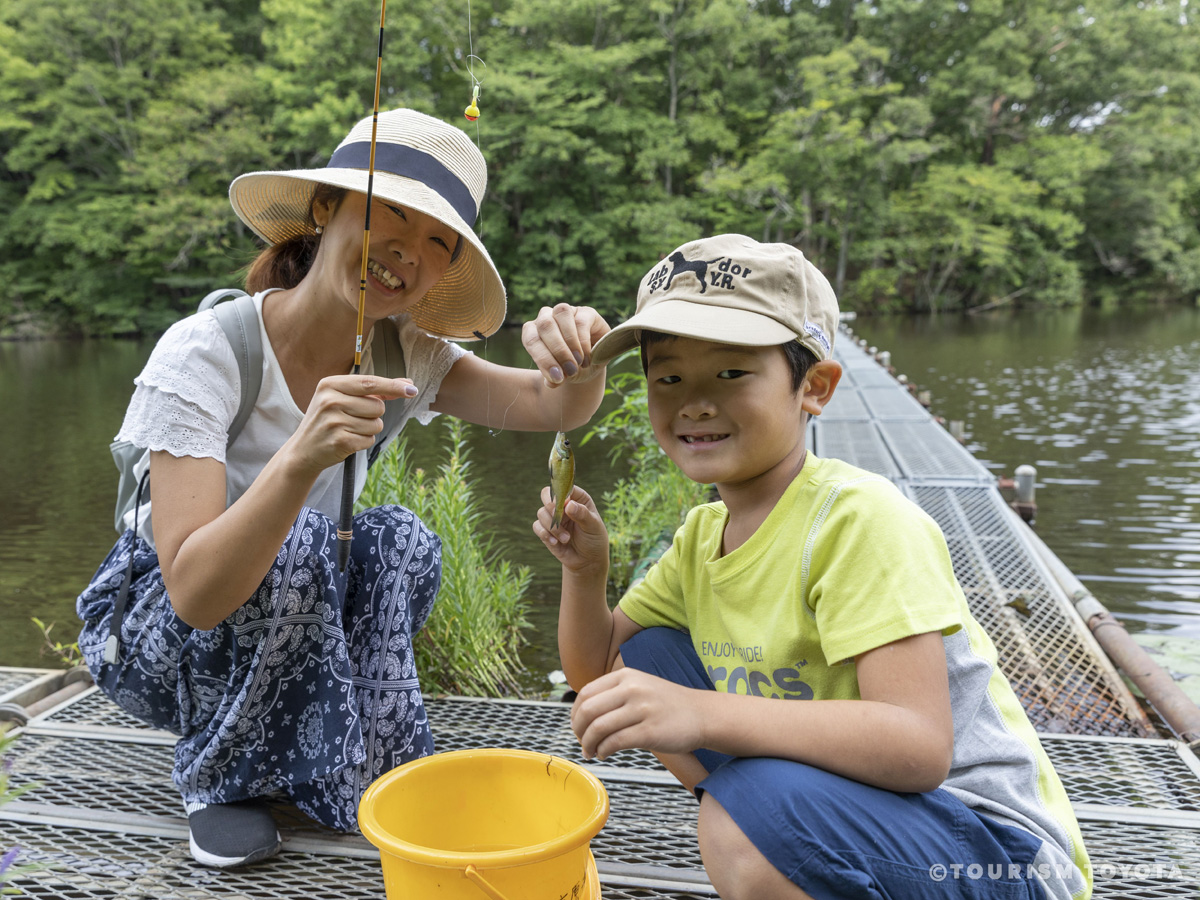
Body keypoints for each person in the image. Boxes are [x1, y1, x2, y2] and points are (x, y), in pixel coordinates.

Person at [76, 108, 609, 869]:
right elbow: (192, 592)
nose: (408, 251)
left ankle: (373, 757)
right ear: (324, 210)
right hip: (153, 637)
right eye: (391, 212)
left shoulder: (406, 352)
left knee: (403, 541)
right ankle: (219, 778)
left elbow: (551, 405)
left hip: (283, 602)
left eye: (438, 240)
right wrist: (299, 457)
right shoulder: (207, 352)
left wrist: (582, 354)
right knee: (297, 537)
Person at [533, 234, 1091, 900]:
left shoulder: (861, 520)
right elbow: (596, 673)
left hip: (993, 854)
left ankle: (763, 836)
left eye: (732, 372)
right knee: (649, 656)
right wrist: (585, 573)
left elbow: (918, 748)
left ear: (815, 387)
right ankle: (778, 845)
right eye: (669, 377)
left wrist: (702, 714)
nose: (695, 402)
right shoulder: (701, 534)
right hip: (866, 807)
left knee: (743, 821)